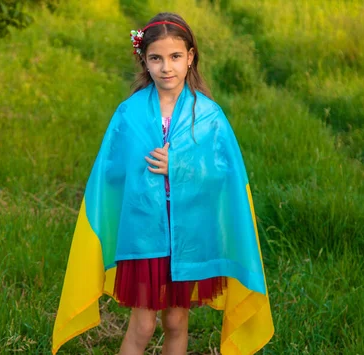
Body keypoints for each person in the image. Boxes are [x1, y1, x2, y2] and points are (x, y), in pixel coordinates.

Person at [52, 12, 274, 355]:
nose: (166, 67)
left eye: (174, 57)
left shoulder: (209, 115)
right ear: (144, 60)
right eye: (156, 58)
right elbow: (110, 173)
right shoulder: (130, 112)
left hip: (189, 233)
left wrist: (181, 166)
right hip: (145, 232)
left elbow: (224, 175)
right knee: (142, 323)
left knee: (176, 321)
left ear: (190, 58)